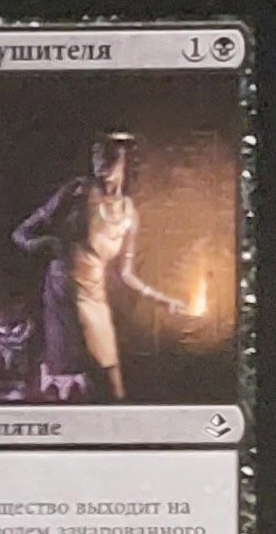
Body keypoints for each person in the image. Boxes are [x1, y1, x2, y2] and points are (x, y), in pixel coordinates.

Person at [15, 131, 187, 402]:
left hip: (95, 297)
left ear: (126, 162)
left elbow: (126, 274)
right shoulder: (76, 191)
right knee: (66, 380)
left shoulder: (129, 213)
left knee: (111, 377)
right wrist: (44, 243)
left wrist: (164, 301)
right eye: (97, 155)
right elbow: (21, 233)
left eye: (110, 156)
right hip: (62, 294)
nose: (100, 162)